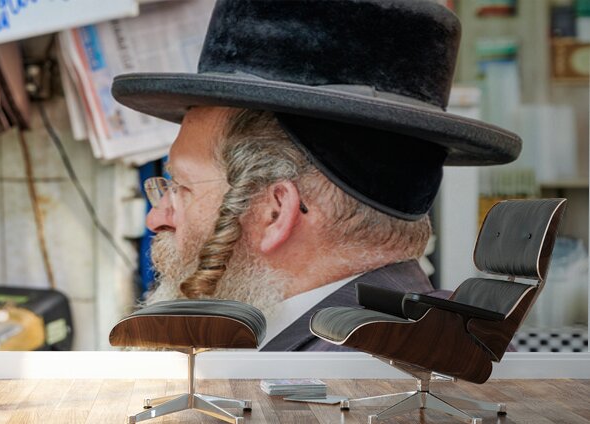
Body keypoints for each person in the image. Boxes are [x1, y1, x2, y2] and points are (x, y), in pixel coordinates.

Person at [111, 0, 522, 351]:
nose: (157, 216)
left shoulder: (338, 384)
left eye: (180, 188)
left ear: (274, 211)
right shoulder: (393, 342)